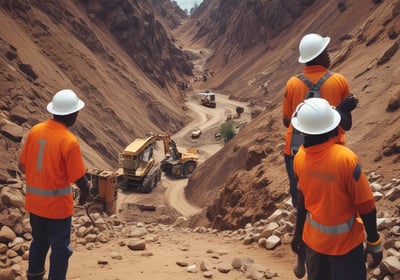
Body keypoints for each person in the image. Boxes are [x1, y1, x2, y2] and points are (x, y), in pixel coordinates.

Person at [290, 98, 382, 280]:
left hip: (314, 243)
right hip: (345, 246)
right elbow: (366, 206)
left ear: (301, 130)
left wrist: (298, 234)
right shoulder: (345, 159)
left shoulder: (299, 157)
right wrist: (374, 242)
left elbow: (303, 201)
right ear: (333, 127)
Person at [19, 89, 91, 280]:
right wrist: (86, 192)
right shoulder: (69, 141)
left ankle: (34, 276)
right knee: (60, 249)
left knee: (39, 242)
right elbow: (79, 177)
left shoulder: (35, 131)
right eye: (76, 112)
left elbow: (22, 164)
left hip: (35, 205)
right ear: (72, 115)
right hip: (58, 209)